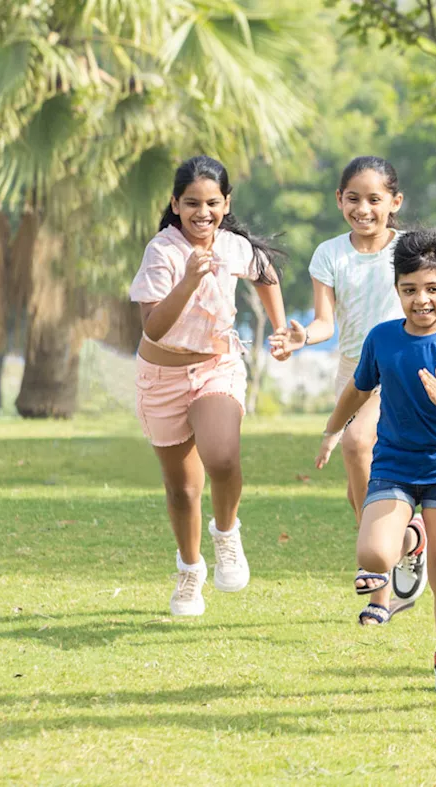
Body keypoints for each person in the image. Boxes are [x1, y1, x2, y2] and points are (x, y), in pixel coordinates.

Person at [271, 156, 436, 625]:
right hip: (357, 363)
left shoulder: (409, 251)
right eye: (353, 198)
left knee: (356, 439)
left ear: (394, 202)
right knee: (357, 481)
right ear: (338, 200)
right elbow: (326, 321)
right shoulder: (329, 254)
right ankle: (403, 543)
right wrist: (302, 336)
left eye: (374, 199)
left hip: (400, 363)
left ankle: (384, 581)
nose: (363, 208)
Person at [316, 227, 436, 696]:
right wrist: (332, 430)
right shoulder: (382, 339)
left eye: (434, 289)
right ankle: (410, 538)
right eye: (410, 289)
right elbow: (357, 389)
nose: (422, 300)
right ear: (396, 288)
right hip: (394, 465)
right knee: (372, 555)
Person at [129, 155, 295, 617]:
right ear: (175, 204)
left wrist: (280, 329)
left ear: (226, 203)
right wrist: (188, 280)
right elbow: (154, 328)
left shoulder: (232, 245)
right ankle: (189, 571)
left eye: (213, 203)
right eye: (192, 204)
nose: (203, 213)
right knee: (182, 490)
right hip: (161, 377)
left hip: (217, 367)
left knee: (222, 455)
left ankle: (227, 535)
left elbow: (264, 272)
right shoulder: (162, 252)